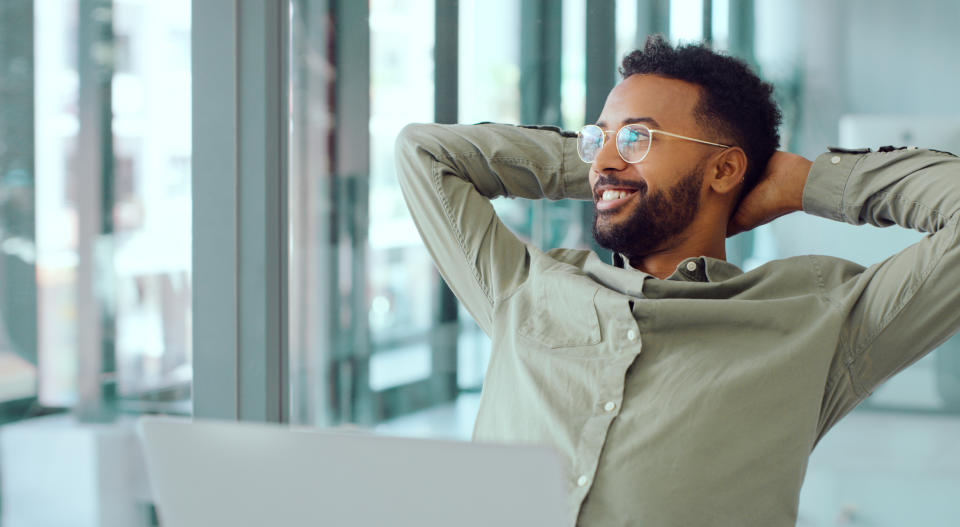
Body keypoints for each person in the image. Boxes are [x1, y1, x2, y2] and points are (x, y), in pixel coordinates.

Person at [395, 35, 960, 526]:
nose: (606, 160)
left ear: (724, 168)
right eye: (598, 138)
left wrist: (805, 183)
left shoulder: (818, 320)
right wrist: (605, 167)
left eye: (639, 138)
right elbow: (425, 153)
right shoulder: (524, 286)